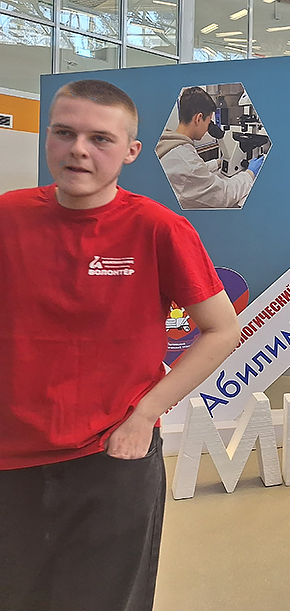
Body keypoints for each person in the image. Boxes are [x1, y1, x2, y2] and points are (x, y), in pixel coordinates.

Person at [0, 79, 240, 611]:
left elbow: (223, 328)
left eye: (100, 139)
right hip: (12, 458)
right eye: (64, 133)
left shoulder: (158, 228)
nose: (78, 150)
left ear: (131, 151)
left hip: (112, 455)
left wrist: (145, 414)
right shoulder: (8, 217)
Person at [155, 86, 263, 210]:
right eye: (208, 122)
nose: (208, 128)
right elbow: (224, 196)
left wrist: (218, 162)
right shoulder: (186, 162)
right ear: (198, 118)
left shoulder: (170, 145)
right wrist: (249, 174)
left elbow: (197, 170)